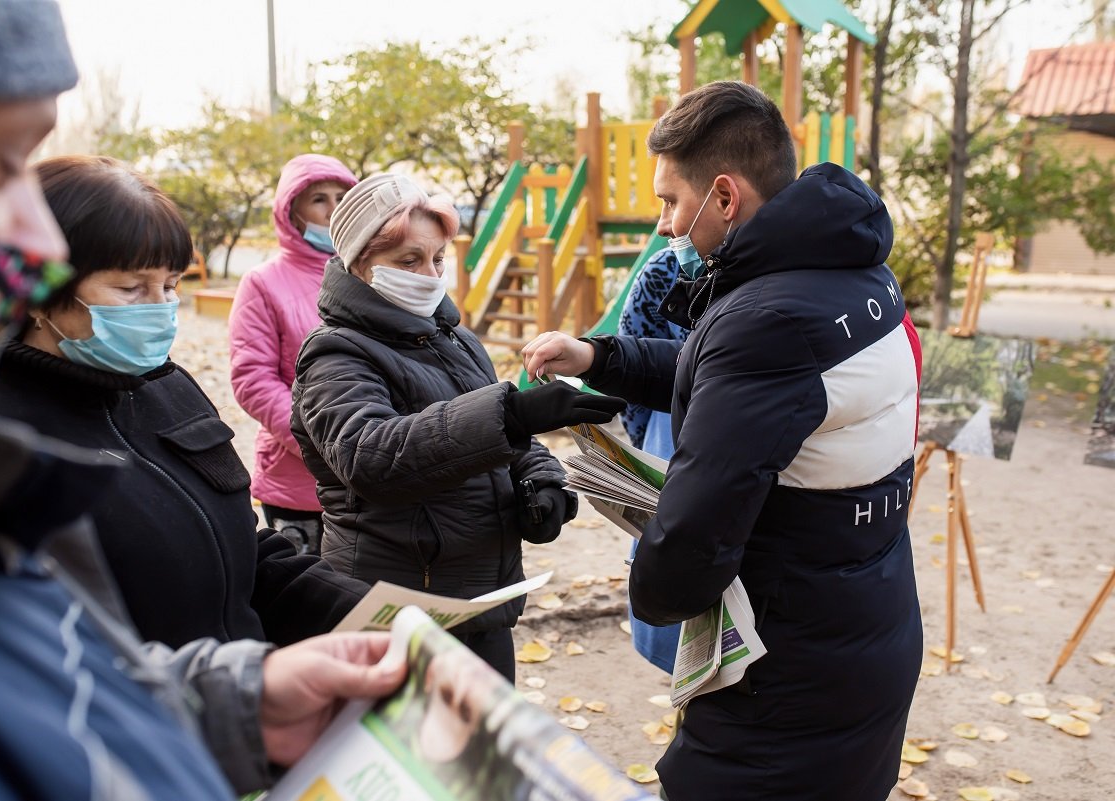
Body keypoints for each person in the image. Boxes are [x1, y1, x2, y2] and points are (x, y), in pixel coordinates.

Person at [0, 4, 401, 799]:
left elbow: (68, 690)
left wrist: (242, 704)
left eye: (168, 286)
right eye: (0, 161)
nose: (32, 244)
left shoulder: (141, 399)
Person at [522, 81, 924, 801]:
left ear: (726, 198)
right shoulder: (852, 271)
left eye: (672, 201)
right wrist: (602, 357)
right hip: (866, 623)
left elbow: (689, 543)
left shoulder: (765, 318)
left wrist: (651, 581)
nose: (664, 226)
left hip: (786, 677)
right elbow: (761, 388)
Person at [0, 154, 368, 649]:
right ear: (38, 289)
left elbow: (244, 555)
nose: (161, 308)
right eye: (130, 287)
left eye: (170, 285)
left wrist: (381, 618)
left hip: (248, 701)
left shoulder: (168, 388)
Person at [290, 173, 625, 680]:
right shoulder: (336, 351)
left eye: (437, 258)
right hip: (398, 612)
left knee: (485, 755)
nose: (428, 274)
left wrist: (542, 482)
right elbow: (371, 456)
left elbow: (509, 442)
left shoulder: (456, 339)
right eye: (408, 261)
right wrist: (511, 412)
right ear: (359, 264)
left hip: (482, 601)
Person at [229, 155, 358, 555]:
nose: (335, 209)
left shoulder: (371, 274)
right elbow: (252, 378)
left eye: (343, 196)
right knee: (311, 602)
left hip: (372, 474)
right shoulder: (263, 282)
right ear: (291, 213)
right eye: (319, 199)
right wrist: (317, 437)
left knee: (367, 603)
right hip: (298, 479)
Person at [616, 247, 687, 674]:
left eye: (672, 203)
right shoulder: (666, 269)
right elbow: (633, 358)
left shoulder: (664, 267)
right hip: (670, 428)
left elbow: (634, 391)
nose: (665, 222)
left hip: (671, 434)